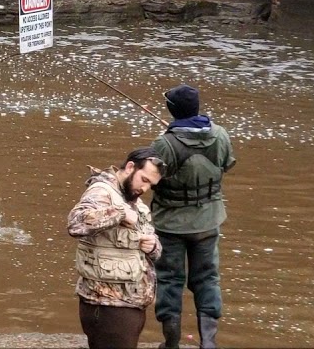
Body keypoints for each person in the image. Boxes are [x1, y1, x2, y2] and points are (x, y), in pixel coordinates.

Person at [149, 84, 237, 349]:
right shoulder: (220, 135)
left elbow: (151, 180)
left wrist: (171, 138)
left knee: (169, 280)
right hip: (209, 222)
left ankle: (171, 343)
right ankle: (208, 343)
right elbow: (227, 164)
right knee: (207, 278)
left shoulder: (164, 144)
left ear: (172, 111)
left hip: (170, 225)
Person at [67, 147, 165, 349]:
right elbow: (75, 223)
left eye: (151, 185)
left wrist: (153, 245)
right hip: (107, 306)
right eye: (144, 180)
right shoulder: (101, 191)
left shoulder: (132, 198)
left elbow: (152, 245)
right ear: (130, 167)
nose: (145, 189)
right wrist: (119, 213)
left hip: (129, 303)